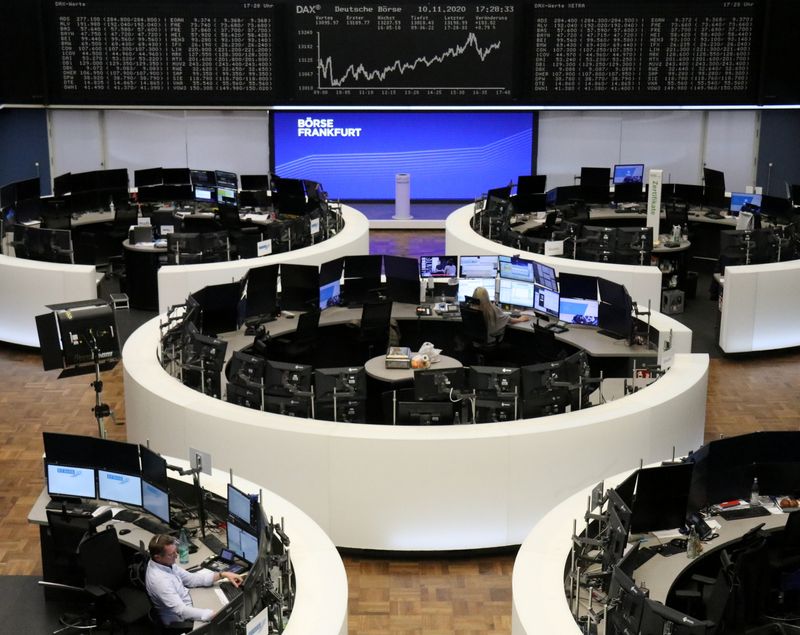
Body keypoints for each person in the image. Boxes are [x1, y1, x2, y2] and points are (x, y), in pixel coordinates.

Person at [145, 533, 244, 625]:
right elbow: (181, 611)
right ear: (157, 557)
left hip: (188, 602)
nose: (176, 555)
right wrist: (212, 614)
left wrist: (223, 574)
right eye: (171, 554)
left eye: (176, 551)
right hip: (181, 620)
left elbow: (191, 579)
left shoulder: (165, 563)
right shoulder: (159, 581)